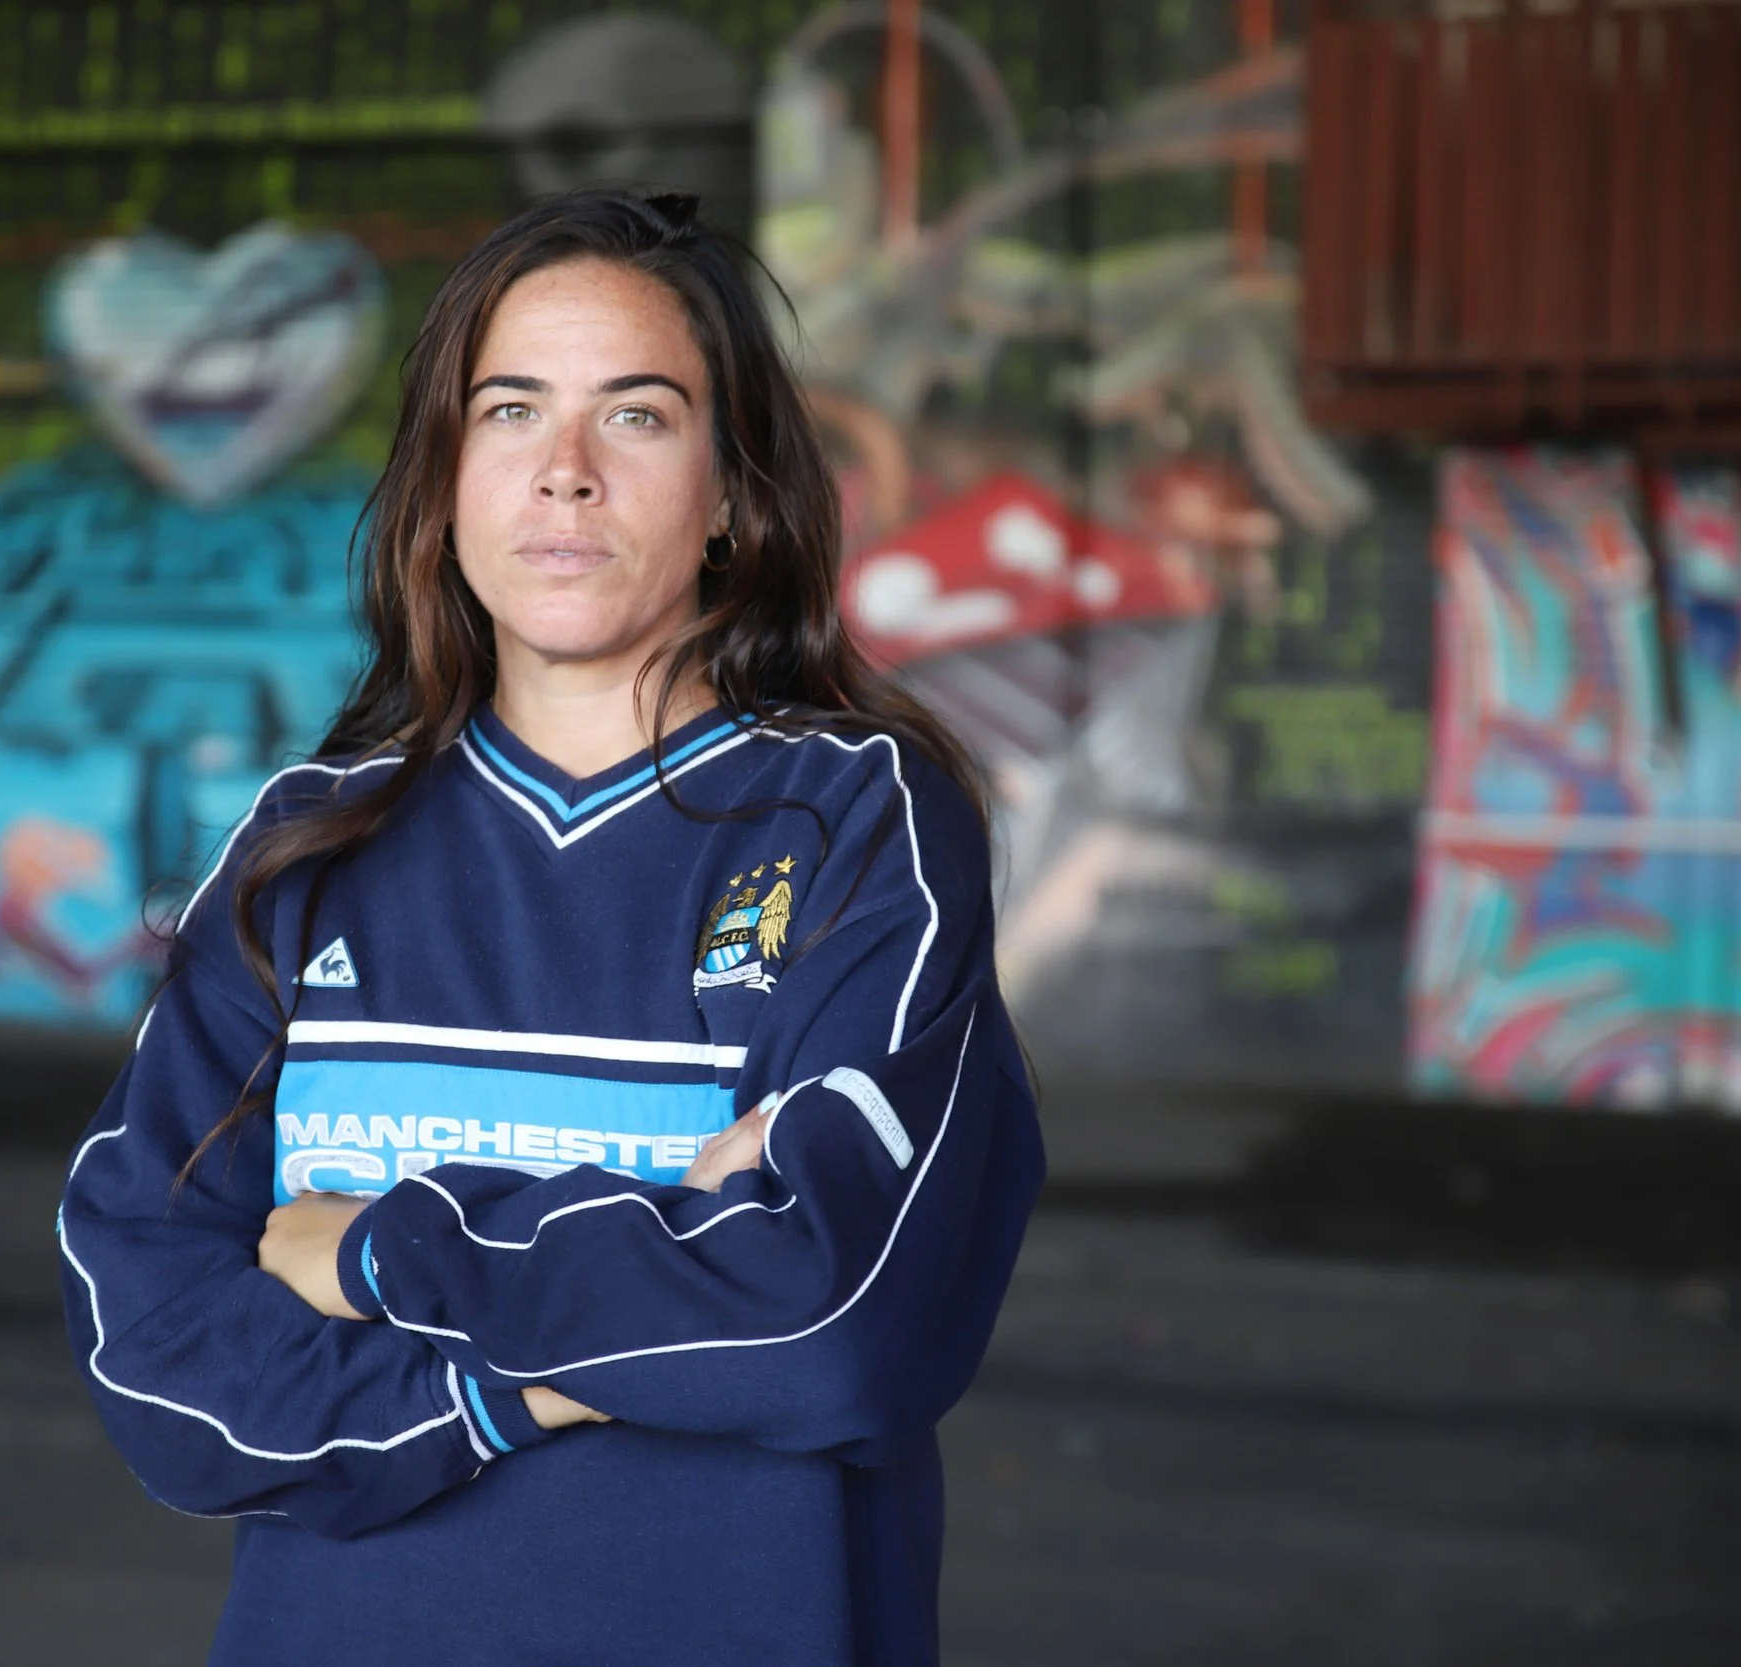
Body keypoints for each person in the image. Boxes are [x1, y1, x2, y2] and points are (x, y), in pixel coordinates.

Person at [58, 187, 1046, 1667]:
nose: (564, 472)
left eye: (638, 416)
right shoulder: (305, 850)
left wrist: (389, 1256)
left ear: (730, 490)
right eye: (510, 410)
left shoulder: (858, 821)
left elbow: (835, 1318)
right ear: (447, 476)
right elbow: (162, 1358)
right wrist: (555, 1367)